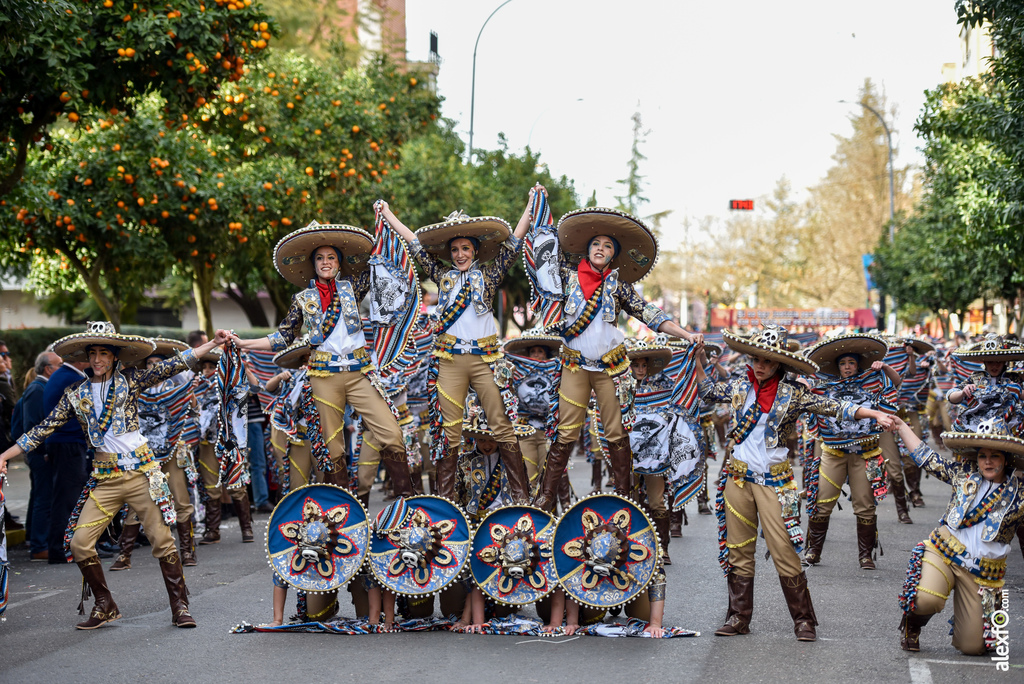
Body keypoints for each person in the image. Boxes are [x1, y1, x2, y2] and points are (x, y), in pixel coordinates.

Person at [0, 322, 229, 629]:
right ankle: (104, 603)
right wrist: (3, 456)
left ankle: (180, 606)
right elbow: (41, 430)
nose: (97, 359)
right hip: (104, 479)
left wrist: (211, 344)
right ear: (86, 357)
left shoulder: (131, 380)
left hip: (140, 474)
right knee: (80, 543)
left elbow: (174, 365)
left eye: (103, 353)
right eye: (92, 353)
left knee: (162, 541)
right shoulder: (74, 395)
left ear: (114, 357)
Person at [697, 325, 895, 642]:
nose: (760, 365)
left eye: (768, 361)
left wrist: (873, 414)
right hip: (737, 478)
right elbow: (707, 391)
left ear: (779, 364)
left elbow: (835, 407)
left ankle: (804, 620)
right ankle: (738, 617)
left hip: (776, 482)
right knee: (739, 549)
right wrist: (696, 360)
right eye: (756, 359)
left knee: (784, 549)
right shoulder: (738, 387)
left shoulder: (794, 394)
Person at [524, 194, 701, 511]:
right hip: (574, 366)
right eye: (596, 244)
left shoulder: (619, 286)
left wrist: (687, 334)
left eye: (607, 245)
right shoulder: (567, 277)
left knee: (617, 432)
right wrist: (535, 206)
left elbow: (651, 314)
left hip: (611, 368)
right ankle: (547, 496)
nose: (600, 249)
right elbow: (541, 257)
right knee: (566, 431)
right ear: (587, 249)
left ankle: (625, 496)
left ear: (614, 254)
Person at [229, 221, 416, 502]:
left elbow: (381, 261)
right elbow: (283, 337)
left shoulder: (353, 286)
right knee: (333, 447)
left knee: (391, 431)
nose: (326, 262)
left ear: (339, 263)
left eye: (331, 257)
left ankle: (406, 504)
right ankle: (343, 512)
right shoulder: (302, 299)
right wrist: (244, 343)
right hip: (323, 376)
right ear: (312, 263)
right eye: (320, 258)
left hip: (359, 372)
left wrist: (384, 219)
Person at [380, 198, 534, 504]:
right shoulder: (442, 277)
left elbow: (514, 244)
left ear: (475, 250)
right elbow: (414, 244)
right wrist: (387, 215)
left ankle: (521, 501)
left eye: (465, 248)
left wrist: (531, 205)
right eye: (455, 250)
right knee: (447, 433)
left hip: (486, 360)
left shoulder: (489, 276)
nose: (460, 254)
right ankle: (445, 505)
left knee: (501, 426)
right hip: (449, 362)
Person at [894, 416, 1024, 655]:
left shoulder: (1020, 494)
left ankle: (966, 616)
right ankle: (912, 624)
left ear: (1006, 459)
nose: (987, 462)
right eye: (983, 455)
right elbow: (928, 459)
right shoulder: (964, 473)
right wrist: (902, 427)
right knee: (926, 599)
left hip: (984, 574)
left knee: (973, 647)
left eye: (994, 456)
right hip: (944, 551)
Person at [802, 333, 900, 569]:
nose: (847, 367)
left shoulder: (872, 380)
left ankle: (865, 556)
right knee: (822, 501)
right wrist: (803, 385)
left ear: (858, 365)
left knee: (865, 504)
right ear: (837, 367)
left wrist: (885, 367)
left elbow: (895, 384)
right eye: (843, 363)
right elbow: (805, 395)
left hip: (865, 454)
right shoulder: (825, 387)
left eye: (851, 363)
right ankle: (813, 550)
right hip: (833, 454)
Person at [114, 339, 201, 569]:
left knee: (181, 499)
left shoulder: (176, 387)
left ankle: (188, 552)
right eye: (149, 362)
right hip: (145, 453)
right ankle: (124, 555)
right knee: (136, 500)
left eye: (157, 363)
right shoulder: (136, 390)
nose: (153, 366)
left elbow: (193, 409)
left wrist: (187, 395)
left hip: (173, 449)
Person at [43, 352, 91, 564]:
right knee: (68, 499)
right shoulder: (72, 378)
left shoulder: (62, 375)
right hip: (68, 443)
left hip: (64, 443)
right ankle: (62, 549)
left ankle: (64, 548)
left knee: (65, 497)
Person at [14, 351, 62, 561]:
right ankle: (39, 545)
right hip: (38, 453)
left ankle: (34, 539)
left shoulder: (41, 387)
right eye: (58, 364)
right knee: (43, 498)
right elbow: (32, 426)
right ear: (47, 368)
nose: (62, 367)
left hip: (38, 452)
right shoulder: (37, 389)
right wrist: (42, 452)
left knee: (39, 496)